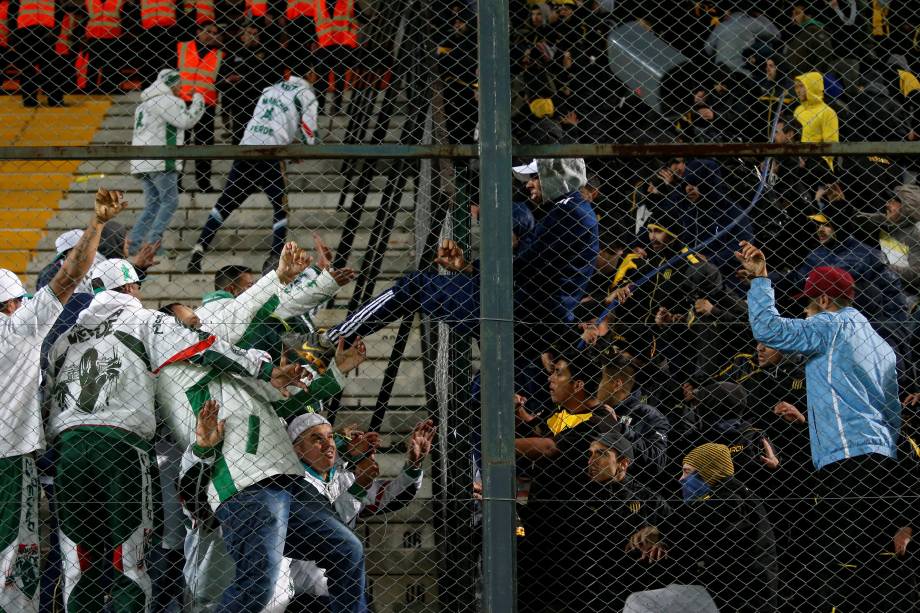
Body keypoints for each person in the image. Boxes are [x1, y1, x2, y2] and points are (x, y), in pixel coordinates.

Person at [45, 256, 310, 612]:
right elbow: (204, 346)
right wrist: (262, 368)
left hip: (69, 451)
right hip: (121, 446)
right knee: (130, 561)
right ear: (129, 288)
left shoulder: (64, 340)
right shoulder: (144, 320)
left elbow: (46, 394)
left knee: (79, 564)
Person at [324, 158, 597, 400]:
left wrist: (470, 268)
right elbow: (527, 268)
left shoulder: (568, 214)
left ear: (555, 178)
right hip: (533, 317)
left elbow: (520, 267)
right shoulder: (571, 211)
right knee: (487, 397)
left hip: (521, 313)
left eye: (536, 177)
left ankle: (335, 338)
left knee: (417, 286)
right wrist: (466, 267)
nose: (529, 185)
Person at [737, 241, 903, 611]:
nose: (805, 313)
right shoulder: (881, 345)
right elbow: (893, 414)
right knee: (864, 565)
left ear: (825, 302)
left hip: (845, 460)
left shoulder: (830, 325)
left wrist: (761, 279)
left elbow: (768, 329)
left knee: (831, 566)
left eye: (807, 306)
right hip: (881, 461)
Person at [0, 189, 126, 613]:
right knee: (18, 552)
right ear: (13, 303)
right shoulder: (20, 329)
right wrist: (98, 223)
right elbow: (70, 275)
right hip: (9, 457)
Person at [272, 414, 434, 610]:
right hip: (303, 596)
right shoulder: (292, 482)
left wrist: (414, 466)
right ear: (297, 450)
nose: (328, 444)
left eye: (330, 437)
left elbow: (391, 498)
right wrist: (358, 487)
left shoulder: (343, 477)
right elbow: (326, 531)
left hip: (343, 591)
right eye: (317, 439)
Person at [187, 72, 319, 272]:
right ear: (311, 74)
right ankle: (275, 256)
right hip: (270, 153)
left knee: (224, 204)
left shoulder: (270, 89)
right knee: (280, 207)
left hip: (247, 147)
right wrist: (305, 148)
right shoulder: (306, 94)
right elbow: (309, 132)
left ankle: (198, 249)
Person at [628, 443, 779, 612]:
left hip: (742, 600)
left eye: (687, 471)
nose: (681, 479)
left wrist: (661, 533)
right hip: (732, 594)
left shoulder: (732, 500)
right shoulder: (735, 495)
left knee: (639, 602)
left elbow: (701, 521)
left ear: (707, 472)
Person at [129, 68, 205, 255]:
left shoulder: (144, 105)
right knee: (170, 201)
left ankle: (134, 243)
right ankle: (154, 243)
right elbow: (186, 121)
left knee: (153, 204)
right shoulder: (169, 101)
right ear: (171, 84)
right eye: (178, 85)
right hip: (161, 159)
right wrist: (199, 101)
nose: (180, 89)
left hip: (141, 161)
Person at [177, 22, 224, 193]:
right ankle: (176, 182)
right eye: (207, 31)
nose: (211, 35)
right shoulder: (181, 47)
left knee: (204, 143)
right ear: (198, 32)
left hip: (206, 104)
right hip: (182, 102)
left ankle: (204, 182)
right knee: (180, 142)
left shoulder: (219, 54)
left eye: (215, 32)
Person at [12, 0, 67, 106]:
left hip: (46, 33)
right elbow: (12, 15)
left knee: (50, 68)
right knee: (28, 69)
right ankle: (29, 100)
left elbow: (59, 13)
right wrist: (15, 37)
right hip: (25, 34)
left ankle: (54, 99)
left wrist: (55, 33)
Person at [792, 71, 839, 182]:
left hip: (818, 166)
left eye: (801, 86)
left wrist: (808, 159)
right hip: (795, 161)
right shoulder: (798, 110)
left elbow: (831, 147)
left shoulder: (827, 112)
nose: (798, 90)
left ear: (812, 86)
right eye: (796, 87)